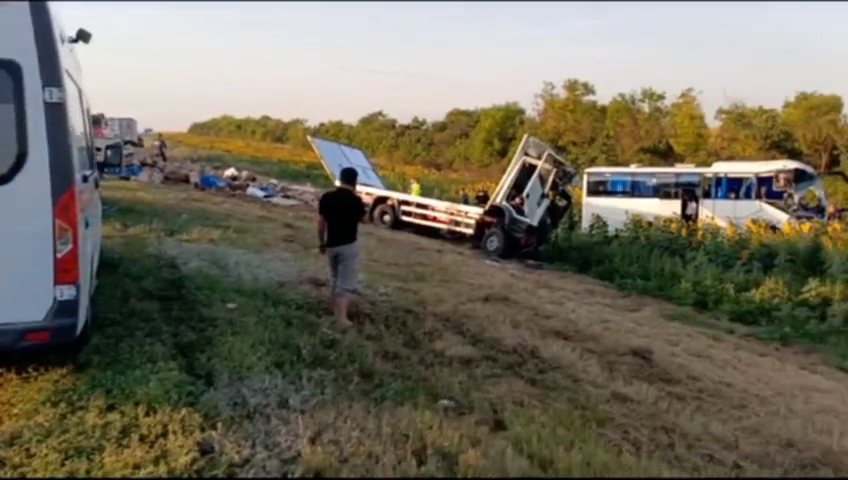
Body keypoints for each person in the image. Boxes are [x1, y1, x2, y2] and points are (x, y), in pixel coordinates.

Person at [318, 167, 366, 328]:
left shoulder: (327, 197)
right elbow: (361, 219)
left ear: (341, 178)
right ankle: (342, 319)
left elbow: (321, 223)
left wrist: (322, 242)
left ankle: (335, 312)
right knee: (345, 283)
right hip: (348, 245)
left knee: (335, 279)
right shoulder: (357, 201)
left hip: (331, 245)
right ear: (355, 181)